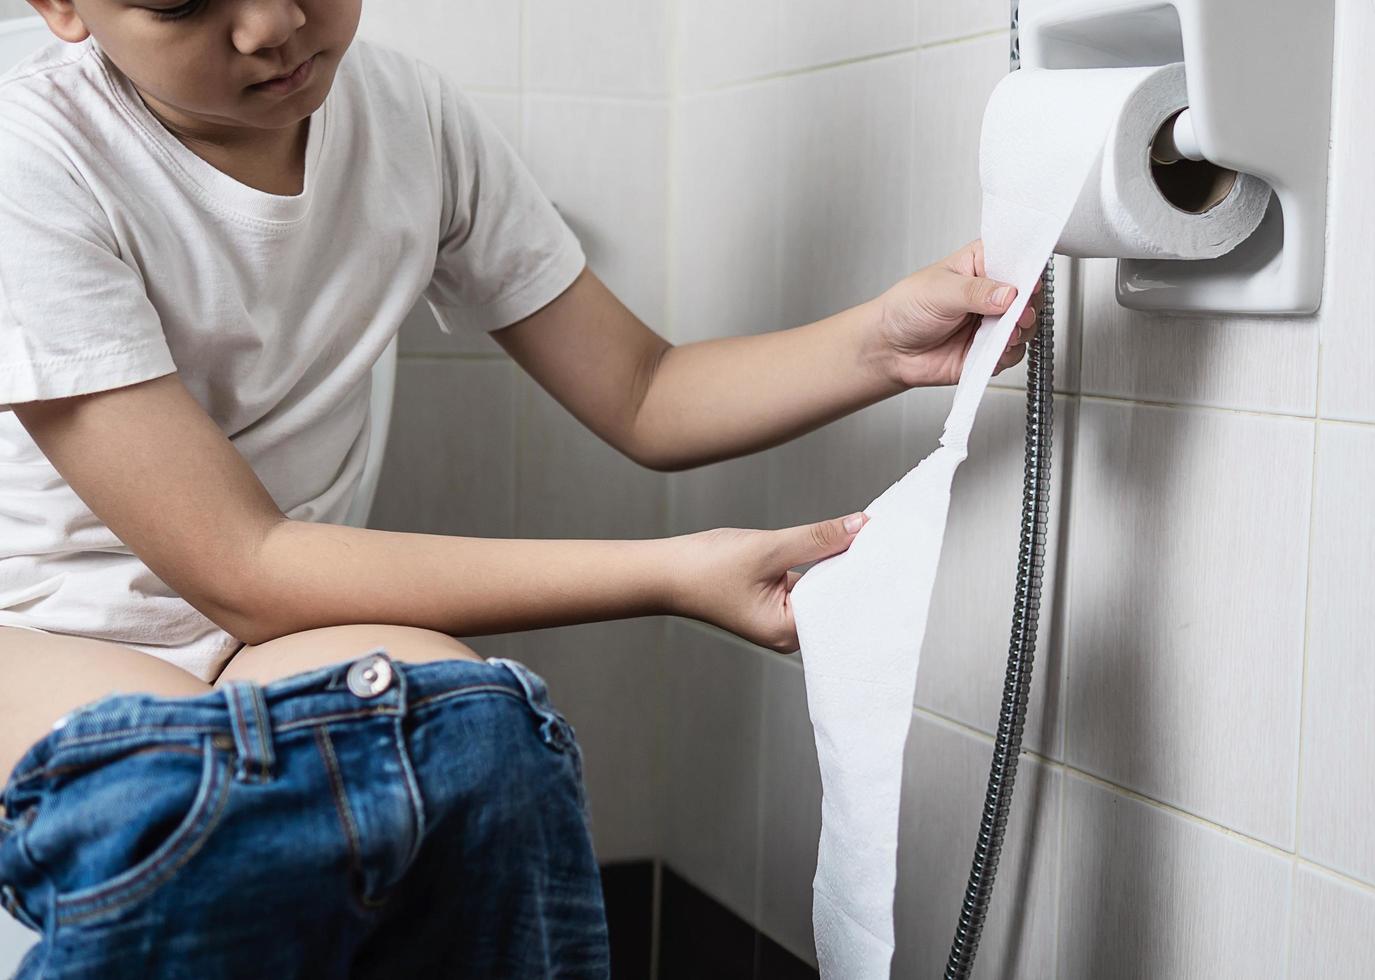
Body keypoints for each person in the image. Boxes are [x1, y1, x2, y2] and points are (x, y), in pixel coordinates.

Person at [0, 0, 1040, 975]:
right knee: (176, 789)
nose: (273, 23)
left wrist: (881, 345)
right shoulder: (32, 159)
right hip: (45, 632)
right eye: (184, 0)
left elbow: (643, 390)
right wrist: (672, 572)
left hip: (260, 626)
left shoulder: (407, 118)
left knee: (474, 746)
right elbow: (244, 562)